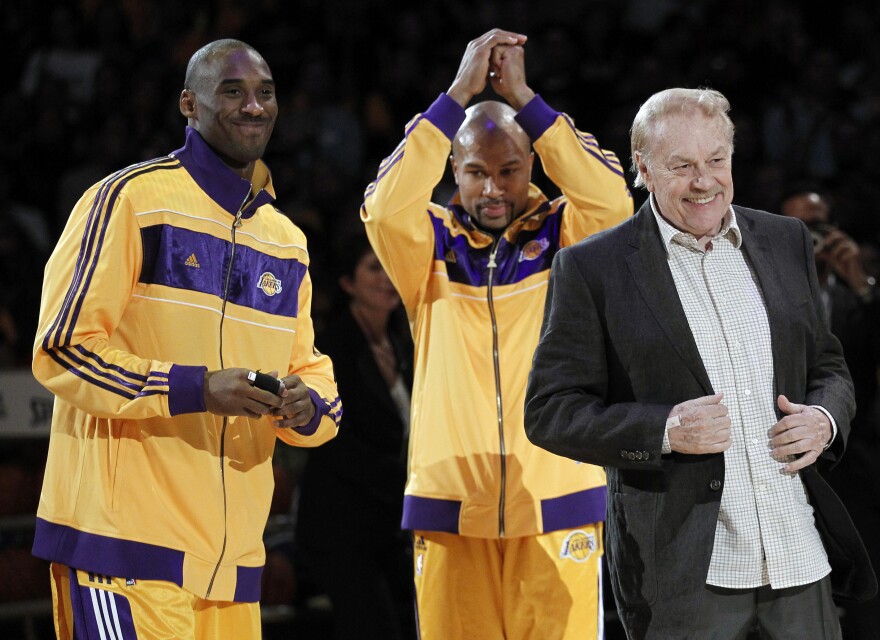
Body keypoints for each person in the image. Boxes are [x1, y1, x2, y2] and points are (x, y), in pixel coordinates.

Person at [524, 87, 877, 639]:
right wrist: (663, 430)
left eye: (716, 160)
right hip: (682, 572)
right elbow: (550, 411)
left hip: (798, 554)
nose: (704, 180)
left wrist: (824, 421)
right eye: (682, 165)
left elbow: (827, 364)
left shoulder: (786, 241)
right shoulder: (594, 268)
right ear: (643, 167)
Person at [30, 39, 341, 639]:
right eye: (232, 90)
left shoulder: (286, 240)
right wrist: (195, 387)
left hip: (231, 566)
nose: (253, 106)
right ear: (188, 105)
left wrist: (307, 407)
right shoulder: (128, 200)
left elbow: (312, 370)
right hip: (122, 547)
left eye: (265, 92)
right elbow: (62, 346)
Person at [361, 28, 633, 639]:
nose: (492, 189)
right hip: (450, 500)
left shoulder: (568, 236)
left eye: (510, 170)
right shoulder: (425, 243)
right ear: (451, 168)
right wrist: (458, 94)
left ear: (533, 162)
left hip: (558, 497)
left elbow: (613, 198)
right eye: (476, 171)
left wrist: (527, 102)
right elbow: (382, 207)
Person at [295, 233, 416, 640]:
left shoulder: (400, 343)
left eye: (390, 268)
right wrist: (407, 484)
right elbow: (337, 443)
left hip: (385, 522)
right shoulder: (332, 347)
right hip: (340, 524)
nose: (386, 279)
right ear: (348, 283)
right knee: (373, 628)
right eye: (373, 268)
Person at [780, 188, 880, 638]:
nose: (814, 240)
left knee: (866, 570)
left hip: (857, 456)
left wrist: (861, 285)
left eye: (820, 228)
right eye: (802, 228)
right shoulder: (767, 285)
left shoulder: (858, 289)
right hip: (786, 458)